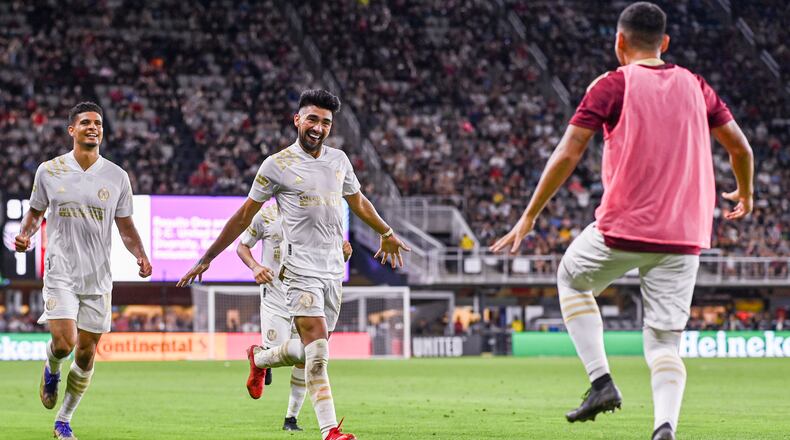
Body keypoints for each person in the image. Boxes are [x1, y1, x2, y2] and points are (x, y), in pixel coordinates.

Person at [490, 3, 754, 440]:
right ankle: (664, 427)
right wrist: (745, 192)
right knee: (665, 343)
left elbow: (569, 152)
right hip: (685, 236)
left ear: (619, 42)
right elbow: (741, 149)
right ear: (664, 43)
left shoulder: (612, 86)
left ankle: (601, 382)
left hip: (623, 229)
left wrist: (529, 215)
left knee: (571, 279)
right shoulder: (697, 86)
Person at [178, 89, 410, 440]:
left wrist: (386, 231)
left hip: (333, 271)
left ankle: (260, 359)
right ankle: (330, 430)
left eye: (326, 122)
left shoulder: (339, 161)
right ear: (297, 120)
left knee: (309, 352)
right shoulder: (276, 165)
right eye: (313, 119)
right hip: (298, 272)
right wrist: (208, 257)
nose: (318, 127)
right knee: (318, 352)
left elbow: (358, 201)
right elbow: (243, 216)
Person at [15, 101, 152, 440]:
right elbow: (34, 213)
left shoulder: (116, 176)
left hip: (98, 276)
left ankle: (64, 419)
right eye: (86, 122)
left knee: (87, 353)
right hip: (60, 270)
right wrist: (25, 234)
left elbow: (126, 227)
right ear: (71, 130)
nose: (94, 127)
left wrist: (141, 255)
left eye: (98, 123)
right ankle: (52, 367)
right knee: (65, 343)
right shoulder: (49, 171)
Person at [236, 202, 353, 431]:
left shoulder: (316, 215)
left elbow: (326, 262)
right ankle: (261, 358)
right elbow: (242, 246)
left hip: (305, 294)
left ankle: (291, 418)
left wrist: (342, 256)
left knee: (307, 355)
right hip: (276, 294)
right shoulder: (266, 215)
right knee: (280, 349)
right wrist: (255, 267)